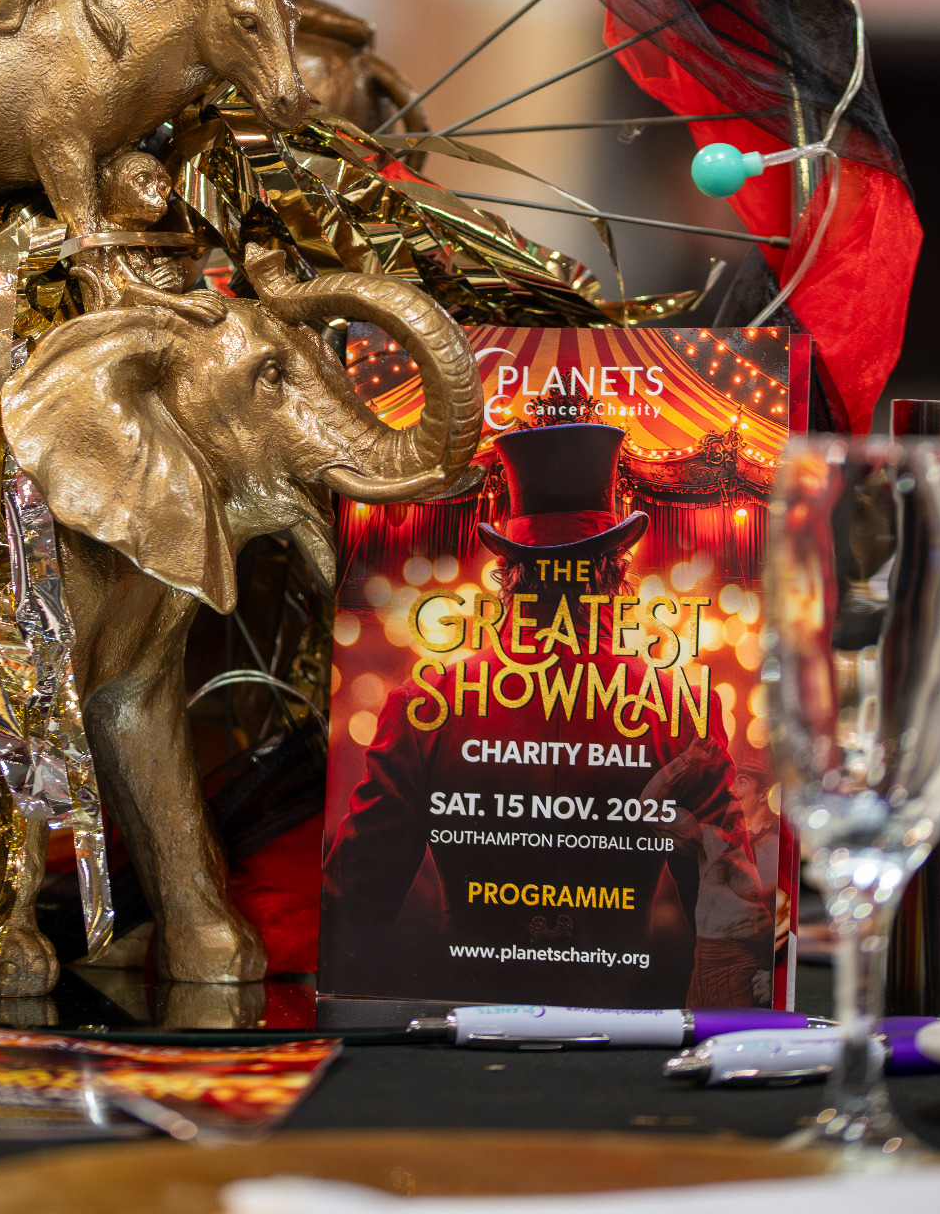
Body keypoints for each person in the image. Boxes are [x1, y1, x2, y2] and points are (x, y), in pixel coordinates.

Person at [321, 423, 773, 1005]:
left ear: (508, 570)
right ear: (616, 568)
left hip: (464, 1023)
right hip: (628, 1030)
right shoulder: (681, 708)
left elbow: (350, 911)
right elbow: (733, 922)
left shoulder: (426, 706)